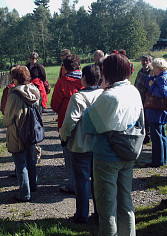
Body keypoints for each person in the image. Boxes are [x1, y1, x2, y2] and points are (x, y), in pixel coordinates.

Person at [82, 53, 142, 235]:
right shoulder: (134, 91)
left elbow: (87, 124)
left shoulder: (109, 97)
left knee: (107, 207)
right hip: (128, 151)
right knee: (125, 202)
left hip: (106, 156)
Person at [59, 64, 103, 223]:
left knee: (82, 182)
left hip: (81, 145)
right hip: (100, 145)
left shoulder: (78, 97)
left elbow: (70, 122)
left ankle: (82, 215)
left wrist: (63, 137)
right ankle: (99, 213)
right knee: (98, 182)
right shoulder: (104, 94)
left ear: (84, 78)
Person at [2, 65, 41, 202]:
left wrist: (5, 123)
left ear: (15, 78)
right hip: (31, 131)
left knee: (20, 163)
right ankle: (33, 185)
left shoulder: (14, 94)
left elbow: (8, 117)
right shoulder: (35, 90)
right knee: (31, 159)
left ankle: (24, 193)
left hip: (17, 131)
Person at [51, 54, 83, 194]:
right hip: (86, 122)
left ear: (64, 67)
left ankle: (73, 183)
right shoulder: (86, 79)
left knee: (69, 155)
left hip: (66, 122)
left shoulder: (62, 82)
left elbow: (54, 105)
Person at [145, 58, 167, 168]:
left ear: (158, 67)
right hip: (158, 112)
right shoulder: (160, 77)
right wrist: (150, 78)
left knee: (157, 137)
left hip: (157, 112)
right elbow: (148, 85)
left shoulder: (162, 78)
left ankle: (158, 160)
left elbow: (162, 93)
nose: (152, 69)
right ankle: (161, 159)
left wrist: (152, 85)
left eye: (154, 67)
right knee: (161, 135)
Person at [134, 55, 153, 144]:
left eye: (147, 61)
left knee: (146, 119)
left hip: (146, 100)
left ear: (150, 62)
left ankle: (147, 137)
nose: (144, 62)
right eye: (143, 60)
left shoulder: (151, 73)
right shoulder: (140, 71)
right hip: (138, 98)